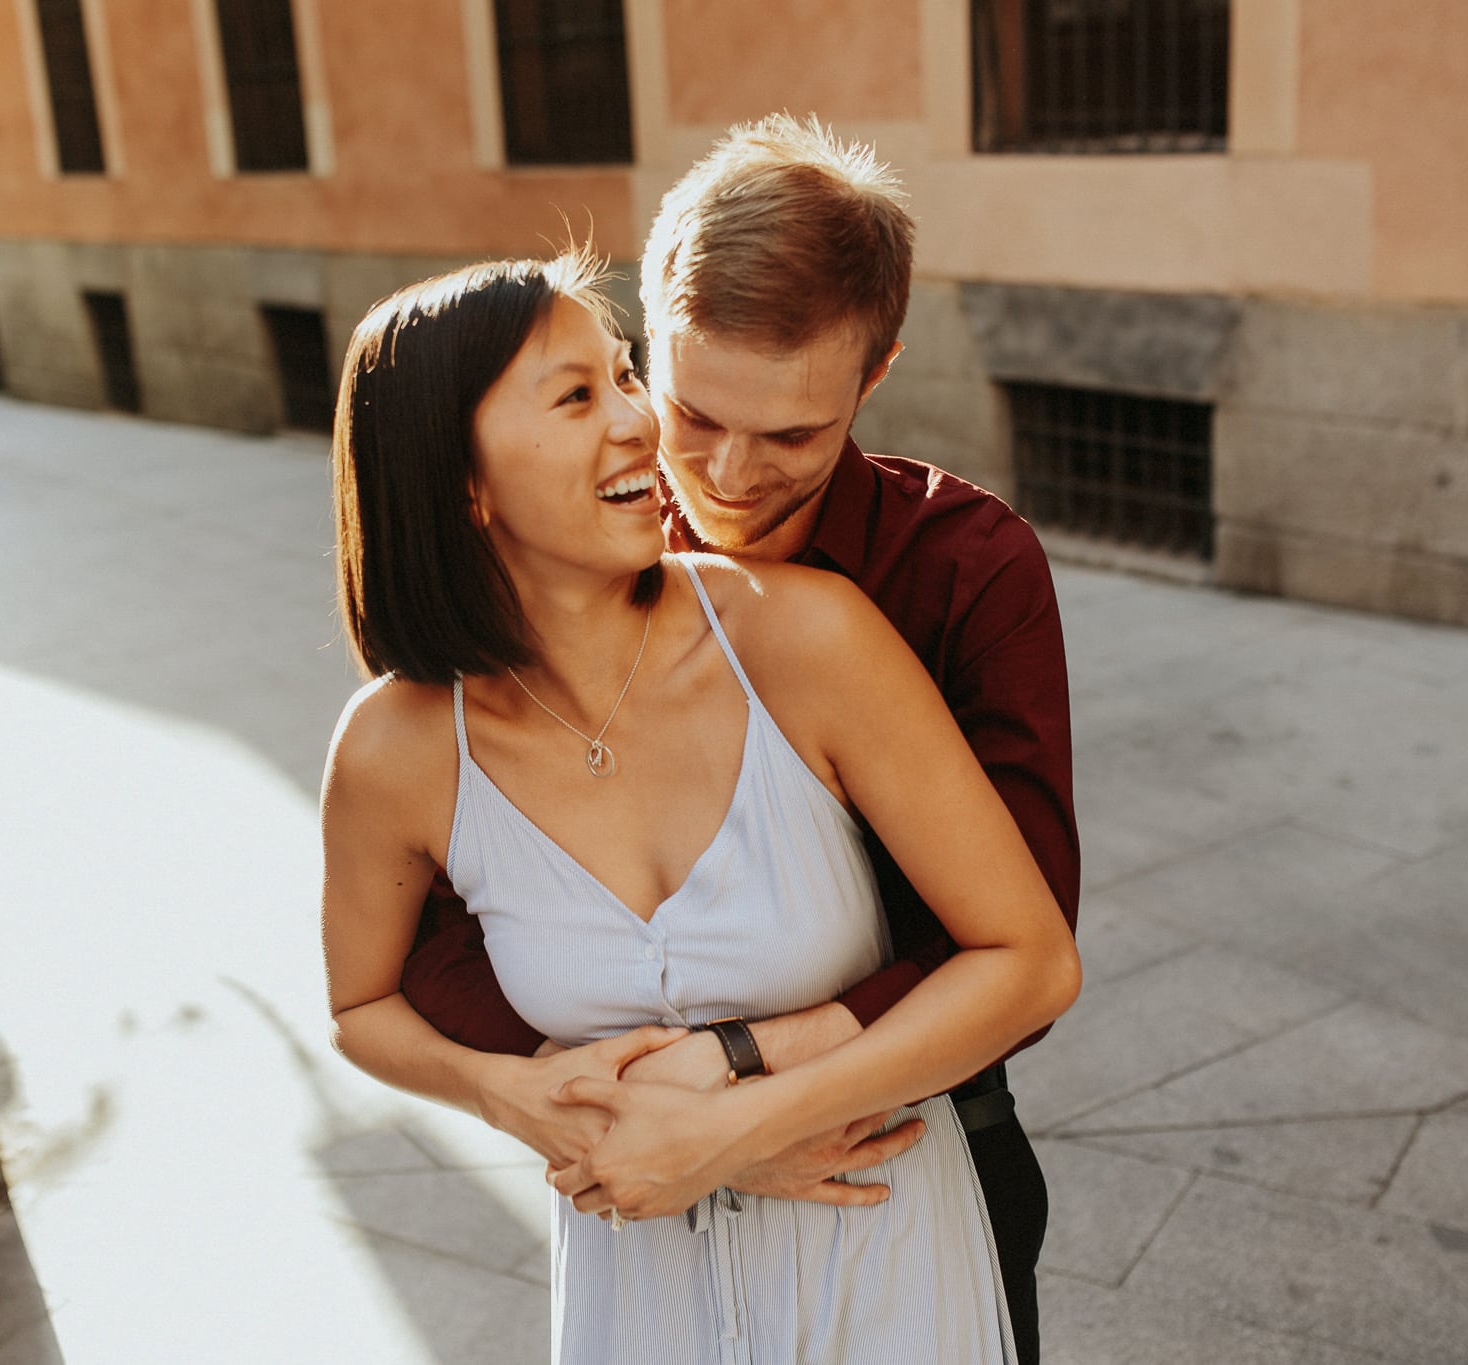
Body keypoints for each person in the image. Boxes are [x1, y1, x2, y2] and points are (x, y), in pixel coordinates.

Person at [395, 115, 1081, 1365]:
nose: (722, 475)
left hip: (910, 1150)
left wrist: (740, 1089)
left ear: (873, 377)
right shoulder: (556, 534)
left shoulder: (966, 569)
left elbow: (1015, 947)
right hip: (634, 1176)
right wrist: (637, 1107)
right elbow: (432, 922)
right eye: (691, 409)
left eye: (793, 436)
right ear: (641, 342)